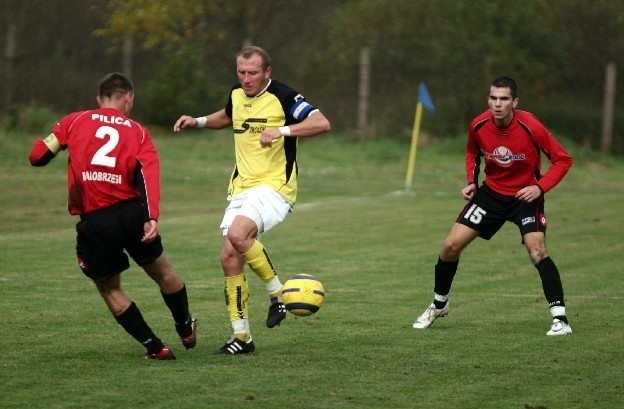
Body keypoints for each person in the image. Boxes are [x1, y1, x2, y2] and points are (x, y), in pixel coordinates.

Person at [173, 45, 331, 354]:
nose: (246, 79)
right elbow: (228, 116)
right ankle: (242, 338)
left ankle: (277, 295)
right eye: (241, 72)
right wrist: (199, 121)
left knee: (237, 234)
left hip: (275, 186)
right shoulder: (236, 93)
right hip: (241, 186)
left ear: (267, 72)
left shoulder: (284, 97)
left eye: (253, 73)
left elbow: (321, 123)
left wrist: (282, 130)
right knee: (229, 257)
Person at [29, 72, 196, 359]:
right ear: (128, 97)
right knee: (162, 271)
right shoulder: (138, 131)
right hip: (132, 214)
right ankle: (185, 327)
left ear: (99, 99)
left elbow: (37, 156)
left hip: (97, 221)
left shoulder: (75, 121)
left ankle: (156, 348)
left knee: (109, 287)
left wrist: (60, 142)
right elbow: (148, 175)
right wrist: (151, 216)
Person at [412, 76, 573, 336]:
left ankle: (561, 319)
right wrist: (471, 182)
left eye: (504, 99)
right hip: (490, 196)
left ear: (515, 102)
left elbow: (563, 160)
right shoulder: (478, 124)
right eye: (493, 98)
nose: (498, 104)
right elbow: (472, 152)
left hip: (524, 197)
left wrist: (539, 187)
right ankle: (439, 304)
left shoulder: (530, 125)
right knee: (450, 246)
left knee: (537, 250)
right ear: (488, 99)